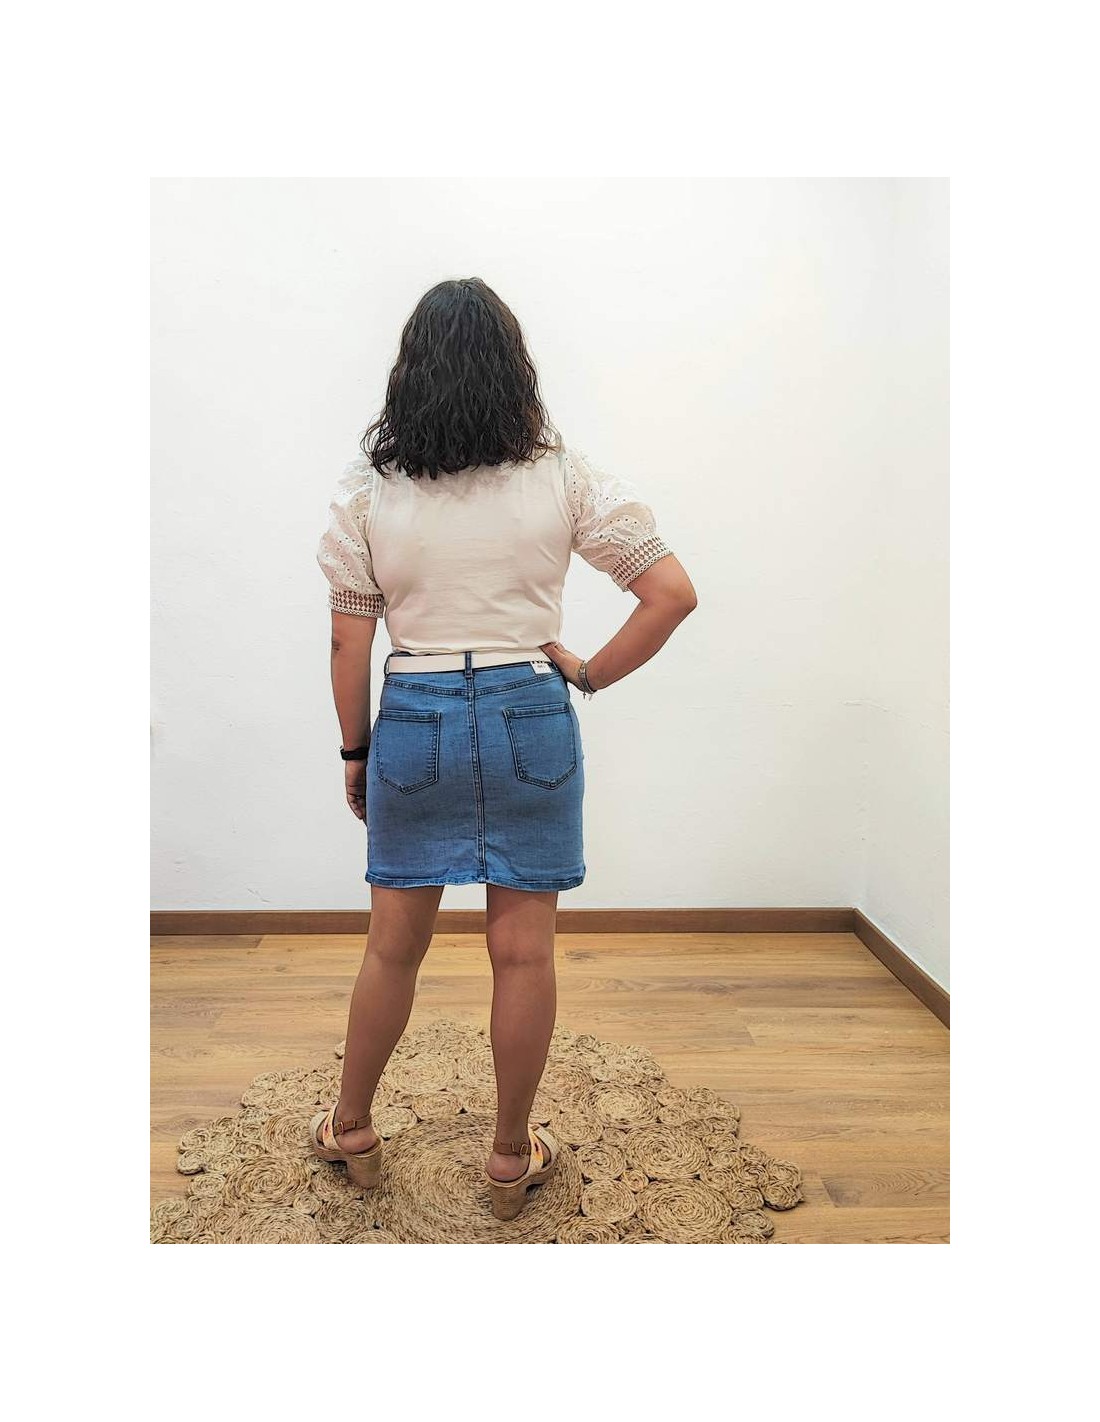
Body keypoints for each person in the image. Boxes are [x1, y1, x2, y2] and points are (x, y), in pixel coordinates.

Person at [312, 277, 698, 1220]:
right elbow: (671, 594)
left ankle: (351, 1128)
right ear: (512, 369)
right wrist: (589, 674)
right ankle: (508, 1156)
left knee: (392, 947)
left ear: (410, 373)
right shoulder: (565, 477)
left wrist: (356, 753)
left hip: (417, 715)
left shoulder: (369, 490)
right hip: (530, 708)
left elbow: (349, 644)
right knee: (523, 954)